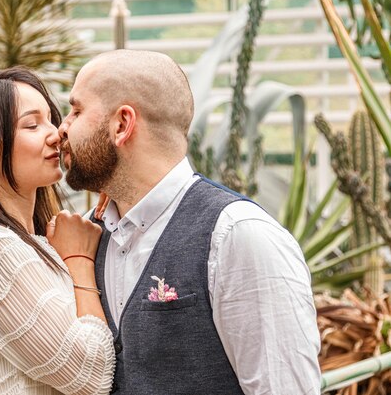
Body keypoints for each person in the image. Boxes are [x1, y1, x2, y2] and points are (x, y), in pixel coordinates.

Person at [58, 49, 321, 394]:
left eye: (76, 111)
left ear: (122, 124)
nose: (62, 127)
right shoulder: (92, 236)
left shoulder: (238, 236)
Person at [0, 67, 115, 395]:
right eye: (32, 124)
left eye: (51, 118)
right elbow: (92, 374)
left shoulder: (31, 242)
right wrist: (78, 259)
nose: (56, 133)